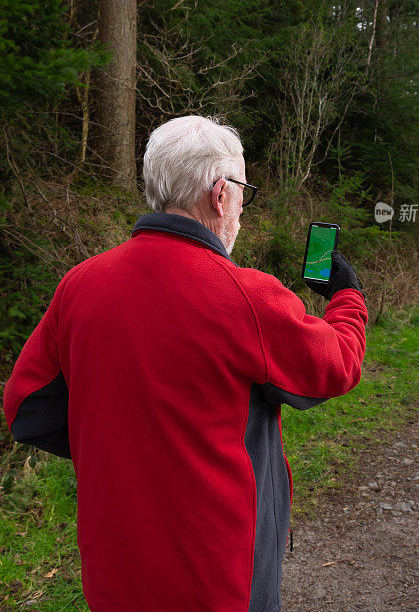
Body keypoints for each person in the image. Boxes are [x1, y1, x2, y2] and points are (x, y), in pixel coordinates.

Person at [3, 115, 368, 612]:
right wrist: (346, 296)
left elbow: (25, 406)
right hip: (220, 582)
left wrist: (118, 449)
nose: (242, 208)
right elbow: (337, 364)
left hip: (114, 573)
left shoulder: (80, 286)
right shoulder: (245, 296)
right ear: (221, 195)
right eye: (244, 192)